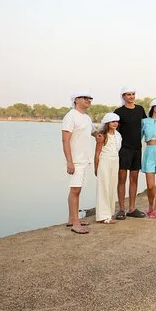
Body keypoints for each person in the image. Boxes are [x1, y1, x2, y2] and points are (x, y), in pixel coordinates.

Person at [62, 91, 95, 234]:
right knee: (75, 190)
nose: (89, 100)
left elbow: (94, 132)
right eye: (85, 98)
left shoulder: (86, 118)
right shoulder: (70, 116)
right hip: (76, 160)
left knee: (77, 190)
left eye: (90, 98)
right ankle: (75, 223)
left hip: (85, 160)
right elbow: (65, 140)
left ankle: (72, 218)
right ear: (76, 100)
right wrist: (69, 162)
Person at [113, 86, 147, 219]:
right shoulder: (118, 112)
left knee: (134, 179)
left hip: (137, 149)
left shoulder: (140, 109)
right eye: (128, 94)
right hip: (123, 149)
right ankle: (121, 209)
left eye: (133, 94)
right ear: (123, 96)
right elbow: (113, 129)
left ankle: (132, 208)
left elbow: (147, 124)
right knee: (122, 179)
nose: (131, 97)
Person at [94, 112, 122, 224]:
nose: (115, 123)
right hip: (104, 162)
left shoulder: (118, 135)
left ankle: (109, 213)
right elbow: (97, 153)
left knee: (111, 187)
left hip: (115, 161)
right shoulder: (102, 136)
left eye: (116, 121)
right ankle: (103, 216)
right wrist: (96, 167)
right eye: (112, 121)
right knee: (103, 187)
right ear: (107, 123)